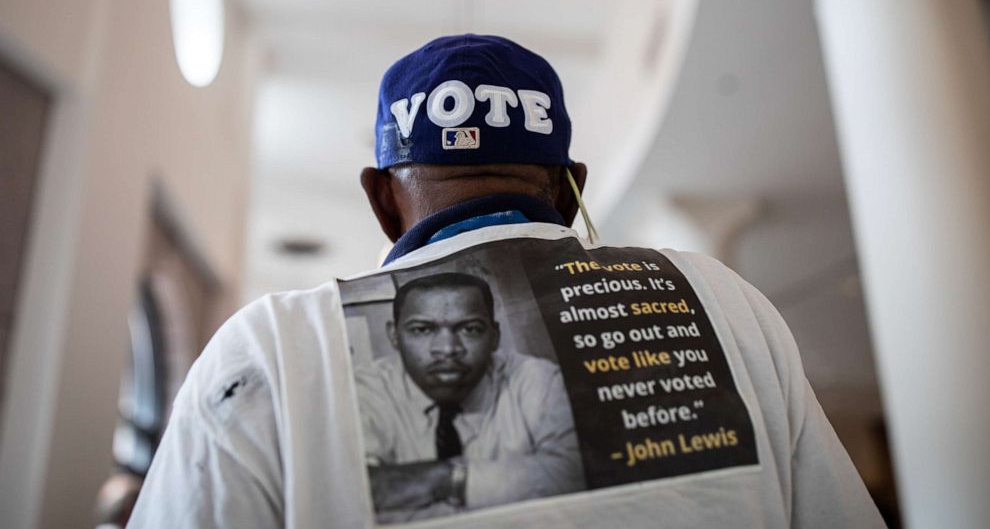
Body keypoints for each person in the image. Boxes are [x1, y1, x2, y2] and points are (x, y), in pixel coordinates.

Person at [129, 34, 885, 528]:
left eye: (466, 329)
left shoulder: (266, 350)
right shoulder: (727, 303)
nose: (448, 347)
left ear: (382, 197)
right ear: (569, 186)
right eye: (427, 330)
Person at [355, 272, 582, 520]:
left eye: (470, 329)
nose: (448, 349)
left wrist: (446, 478)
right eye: (422, 329)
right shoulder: (362, 390)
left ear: (495, 337)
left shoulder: (538, 379)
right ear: (394, 336)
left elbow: (572, 474)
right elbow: (355, 495)